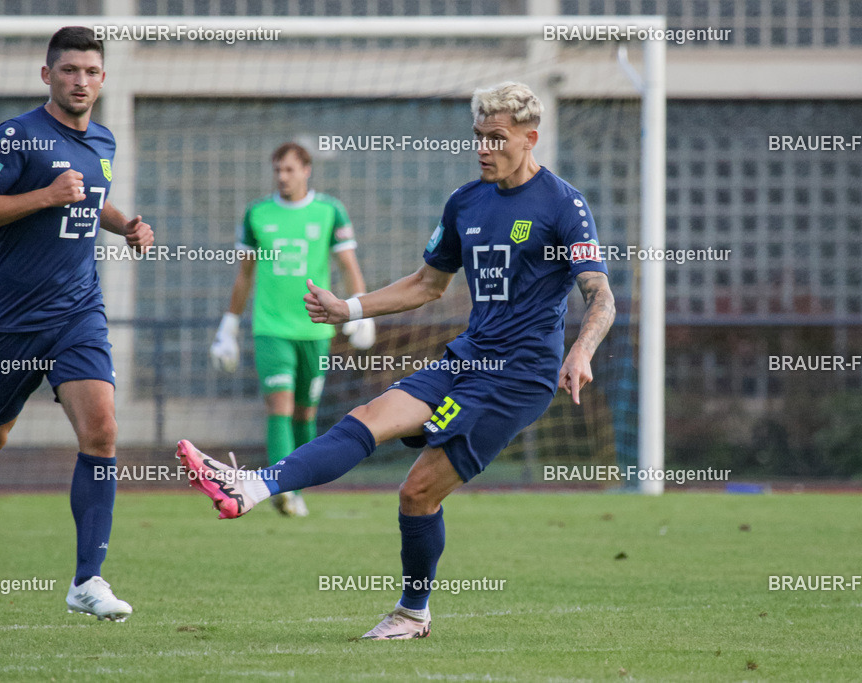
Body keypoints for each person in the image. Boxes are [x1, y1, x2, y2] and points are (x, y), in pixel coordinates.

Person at [179, 82, 615, 639]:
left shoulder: (562, 204)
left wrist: (581, 349)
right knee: (366, 418)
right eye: (478, 136)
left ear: (529, 139)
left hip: (518, 377)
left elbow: (600, 294)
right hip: (467, 357)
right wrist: (350, 308)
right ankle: (254, 487)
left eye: (497, 138)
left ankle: (412, 613)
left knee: (416, 491)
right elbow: (428, 284)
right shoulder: (466, 201)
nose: (483, 148)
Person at [0, 26, 153, 622]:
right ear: (47, 75)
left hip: (78, 313)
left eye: (91, 71)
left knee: (101, 431)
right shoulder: (17, 135)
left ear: (103, 79)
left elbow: (90, 196)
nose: (81, 81)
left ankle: (87, 580)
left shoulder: (104, 139)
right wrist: (44, 196)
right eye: (69, 70)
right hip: (9, 320)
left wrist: (124, 225)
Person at [209, 142, 374, 517]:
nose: (283, 177)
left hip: (316, 329)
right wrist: (229, 326)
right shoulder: (257, 213)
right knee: (279, 405)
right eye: (277, 170)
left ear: (306, 170)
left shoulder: (330, 211)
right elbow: (244, 275)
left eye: (289, 170)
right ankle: (278, 488)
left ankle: (295, 489)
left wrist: (361, 312)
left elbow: (348, 265)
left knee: (304, 414)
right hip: (271, 328)